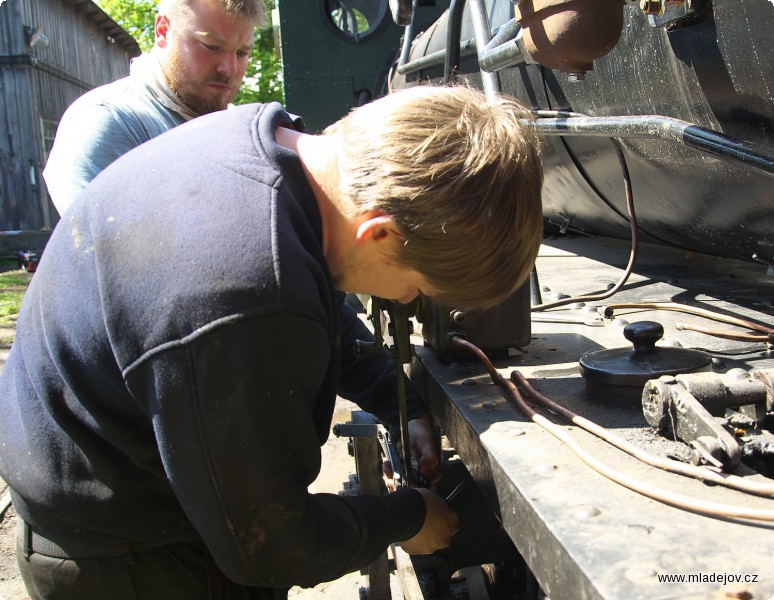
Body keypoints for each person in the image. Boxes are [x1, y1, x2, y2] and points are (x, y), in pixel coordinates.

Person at [0, 84, 544, 599]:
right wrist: (404, 519)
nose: (405, 302)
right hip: (134, 558)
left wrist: (399, 398)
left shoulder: (274, 157)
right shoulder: (240, 293)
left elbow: (313, 287)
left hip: (135, 498)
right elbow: (267, 547)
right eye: (416, 288)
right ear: (378, 232)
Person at [42, 0, 264, 216]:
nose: (229, 68)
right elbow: (105, 248)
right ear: (163, 31)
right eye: (211, 46)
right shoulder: (107, 120)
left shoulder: (239, 128)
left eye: (242, 53)